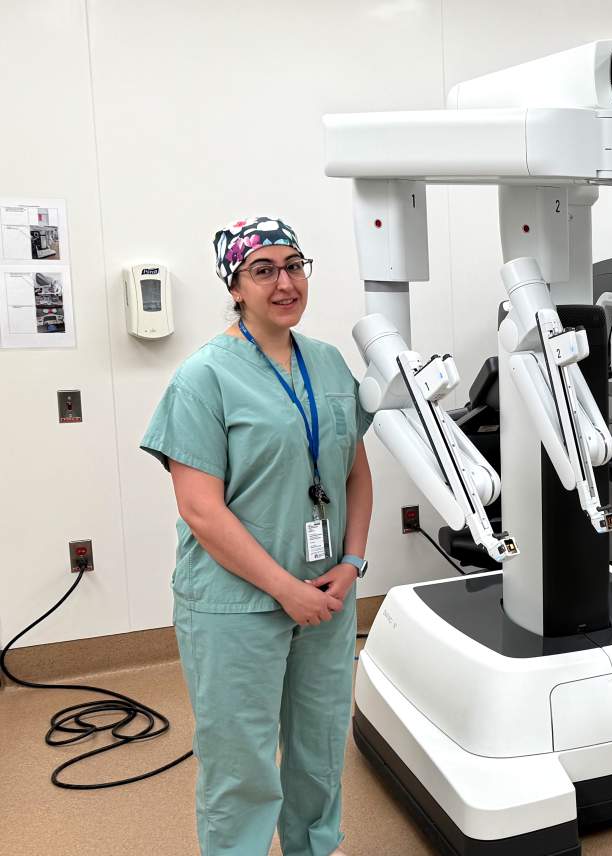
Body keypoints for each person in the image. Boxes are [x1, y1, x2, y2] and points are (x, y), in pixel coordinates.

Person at [140, 216, 373, 856]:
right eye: (263, 270)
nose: (285, 283)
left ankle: (315, 847)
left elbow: (355, 473)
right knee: (240, 763)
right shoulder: (203, 377)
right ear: (235, 287)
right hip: (237, 604)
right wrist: (283, 589)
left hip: (326, 593)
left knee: (319, 746)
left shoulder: (329, 364)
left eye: (294, 266)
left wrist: (352, 561)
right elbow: (201, 510)